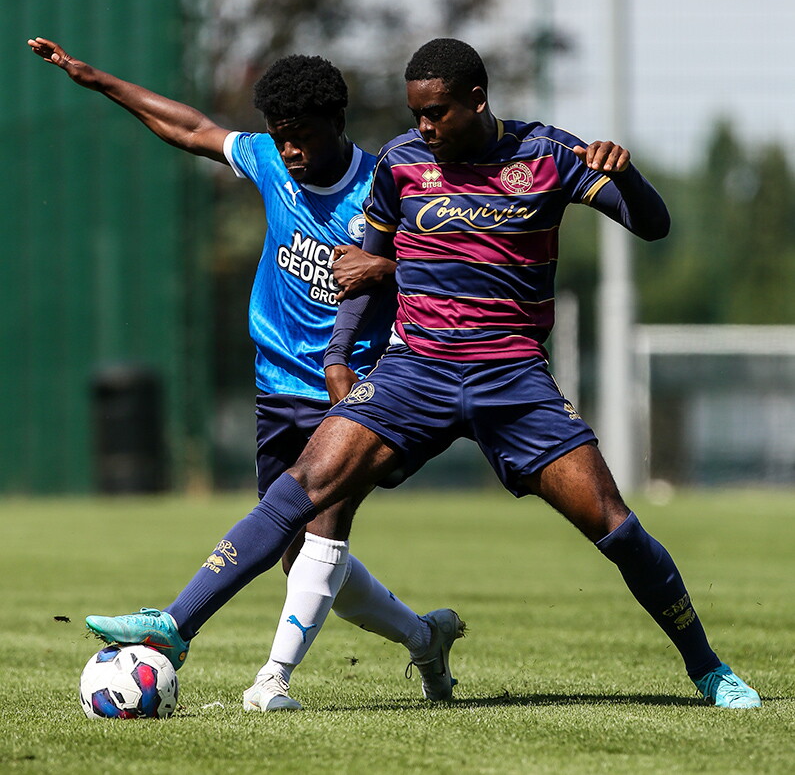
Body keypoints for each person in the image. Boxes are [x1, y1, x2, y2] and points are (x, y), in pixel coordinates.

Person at [81, 37, 760, 710]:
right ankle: (175, 626)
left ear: (475, 99)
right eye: (416, 115)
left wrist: (627, 173)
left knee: (614, 527)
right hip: (416, 371)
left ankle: (707, 669)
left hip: (511, 377)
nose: (422, 128)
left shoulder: (549, 155)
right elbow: (362, 272)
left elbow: (653, 225)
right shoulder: (401, 164)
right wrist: (340, 356)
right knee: (303, 487)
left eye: (435, 114)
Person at [28, 36, 465, 711]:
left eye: (302, 138)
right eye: (280, 137)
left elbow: (451, 272)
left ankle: (270, 680)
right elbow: (190, 127)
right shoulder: (268, 161)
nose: (288, 151)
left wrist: (390, 287)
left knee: (324, 528)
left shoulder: (384, 189)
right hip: (277, 387)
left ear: (335, 124)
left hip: (354, 390)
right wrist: (95, 79)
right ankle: (421, 638)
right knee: (299, 555)